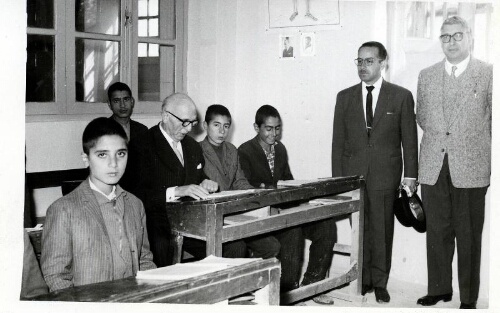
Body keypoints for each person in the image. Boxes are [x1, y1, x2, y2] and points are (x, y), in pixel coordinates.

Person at [331, 41, 418, 303]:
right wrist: (338, 181)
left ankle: (380, 282)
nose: (363, 66)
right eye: (359, 61)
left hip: (385, 174)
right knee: (359, 229)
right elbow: (338, 142)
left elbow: (409, 141)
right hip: (353, 176)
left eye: (369, 61)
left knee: (381, 231)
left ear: (383, 63)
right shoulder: (344, 97)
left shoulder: (400, 96)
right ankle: (363, 279)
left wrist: (410, 176)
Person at [415, 16, 492, 310]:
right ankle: (439, 289)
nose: (452, 42)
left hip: (471, 167)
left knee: (469, 235)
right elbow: (422, 116)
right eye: (445, 37)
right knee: (437, 232)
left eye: (457, 36)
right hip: (434, 165)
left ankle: (469, 299)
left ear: (469, 37)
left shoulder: (487, 73)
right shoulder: (427, 75)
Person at [41, 117, 156, 292]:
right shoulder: (63, 209)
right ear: (86, 159)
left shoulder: (135, 204)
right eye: (102, 154)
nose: (113, 164)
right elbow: (55, 276)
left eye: (121, 153)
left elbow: (144, 260)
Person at [239, 105, 337, 304]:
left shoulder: (280, 149)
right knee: (293, 230)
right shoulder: (245, 151)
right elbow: (246, 189)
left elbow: (287, 180)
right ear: (256, 128)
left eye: (277, 128)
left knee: (326, 226)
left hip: (284, 208)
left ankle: (312, 285)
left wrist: (304, 198)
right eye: (269, 128)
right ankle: (287, 292)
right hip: (262, 214)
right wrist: (271, 190)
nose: (274, 133)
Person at [135, 93, 246, 267]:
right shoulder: (142, 144)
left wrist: (207, 182)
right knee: (164, 251)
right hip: (157, 224)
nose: (188, 129)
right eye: (184, 122)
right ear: (165, 116)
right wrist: (175, 191)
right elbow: (137, 195)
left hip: (190, 222)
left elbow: (199, 178)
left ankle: (219, 293)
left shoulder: (192, 146)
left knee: (234, 246)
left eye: (192, 123)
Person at [200, 104, 281, 259]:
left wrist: (256, 194)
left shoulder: (232, 150)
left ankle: (251, 279)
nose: (222, 131)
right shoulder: (197, 150)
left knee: (272, 246)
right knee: (238, 247)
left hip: (235, 216)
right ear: (205, 125)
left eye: (226, 126)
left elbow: (240, 182)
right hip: (212, 219)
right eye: (216, 125)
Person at [107, 82, 148, 192]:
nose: (122, 105)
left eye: (126, 99)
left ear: (132, 102)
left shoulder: (142, 130)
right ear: (109, 104)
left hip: (140, 191)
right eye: (116, 101)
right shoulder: (102, 130)